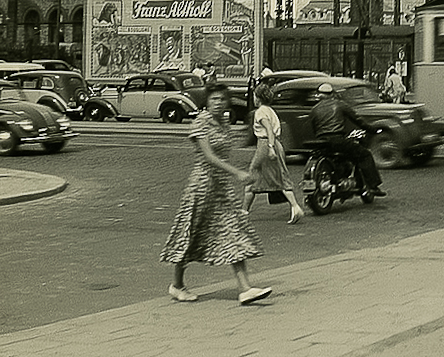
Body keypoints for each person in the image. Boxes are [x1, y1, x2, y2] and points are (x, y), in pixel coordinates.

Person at [159, 82, 273, 305]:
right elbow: (209, 156)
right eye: (214, 100)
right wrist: (237, 173)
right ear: (207, 101)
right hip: (201, 187)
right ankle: (177, 285)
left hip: (221, 190)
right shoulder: (201, 122)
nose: (219, 103)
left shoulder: (225, 121)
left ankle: (245, 288)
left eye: (222, 99)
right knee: (190, 236)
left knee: (233, 232)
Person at [308, 83, 386, 197]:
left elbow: (314, 128)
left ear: (320, 95)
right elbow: (358, 119)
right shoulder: (340, 105)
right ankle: (373, 185)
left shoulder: (314, 110)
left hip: (322, 142)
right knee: (365, 155)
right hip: (338, 140)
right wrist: (371, 129)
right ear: (332, 94)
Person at [242, 83, 305, 224]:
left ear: (258, 97)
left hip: (265, 144)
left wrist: (270, 147)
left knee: (254, 176)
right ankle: (294, 207)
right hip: (276, 144)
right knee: (279, 176)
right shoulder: (271, 110)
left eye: (254, 95)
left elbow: (269, 130)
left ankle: (243, 212)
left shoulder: (260, 112)